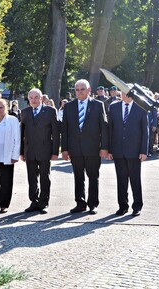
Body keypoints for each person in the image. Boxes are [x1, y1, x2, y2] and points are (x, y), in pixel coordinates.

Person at [61, 79, 108, 214]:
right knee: (78, 177)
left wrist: (104, 147)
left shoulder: (98, 105)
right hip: (75, 148)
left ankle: (93, 204)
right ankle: (80, 203)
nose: (80, 92)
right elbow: (65, 129)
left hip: (93, 148)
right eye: (77, 89)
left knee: (93, 176)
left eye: (82, 89)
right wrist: (64, 149)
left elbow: (104, 127)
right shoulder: (69, 107)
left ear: (89, 90)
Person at [107, 89, 148, 216]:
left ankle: (137, 206)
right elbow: (110, 130)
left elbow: (145, 131)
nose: (125, 95)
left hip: (134, 151)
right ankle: (122, 206)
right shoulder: (113, 107)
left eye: (128, 92)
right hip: (118, 150)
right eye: (123, 92)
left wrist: (143, 151)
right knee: (121, 180)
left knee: (135, 180)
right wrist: (109, 150)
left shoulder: (141, 108)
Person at [20, 88, 60, 214]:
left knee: (44, 178)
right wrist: (21, 152)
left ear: (41, 98)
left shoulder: (50, 111)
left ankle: (44, 203)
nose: (34, 100)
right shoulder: (25, 112)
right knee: (32, 178)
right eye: (31, 98)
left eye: (36, 97)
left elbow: (56, 132)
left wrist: (55, 152)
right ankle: (34, 201)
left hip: (45, 150)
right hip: (30, 151)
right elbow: (22, 133)